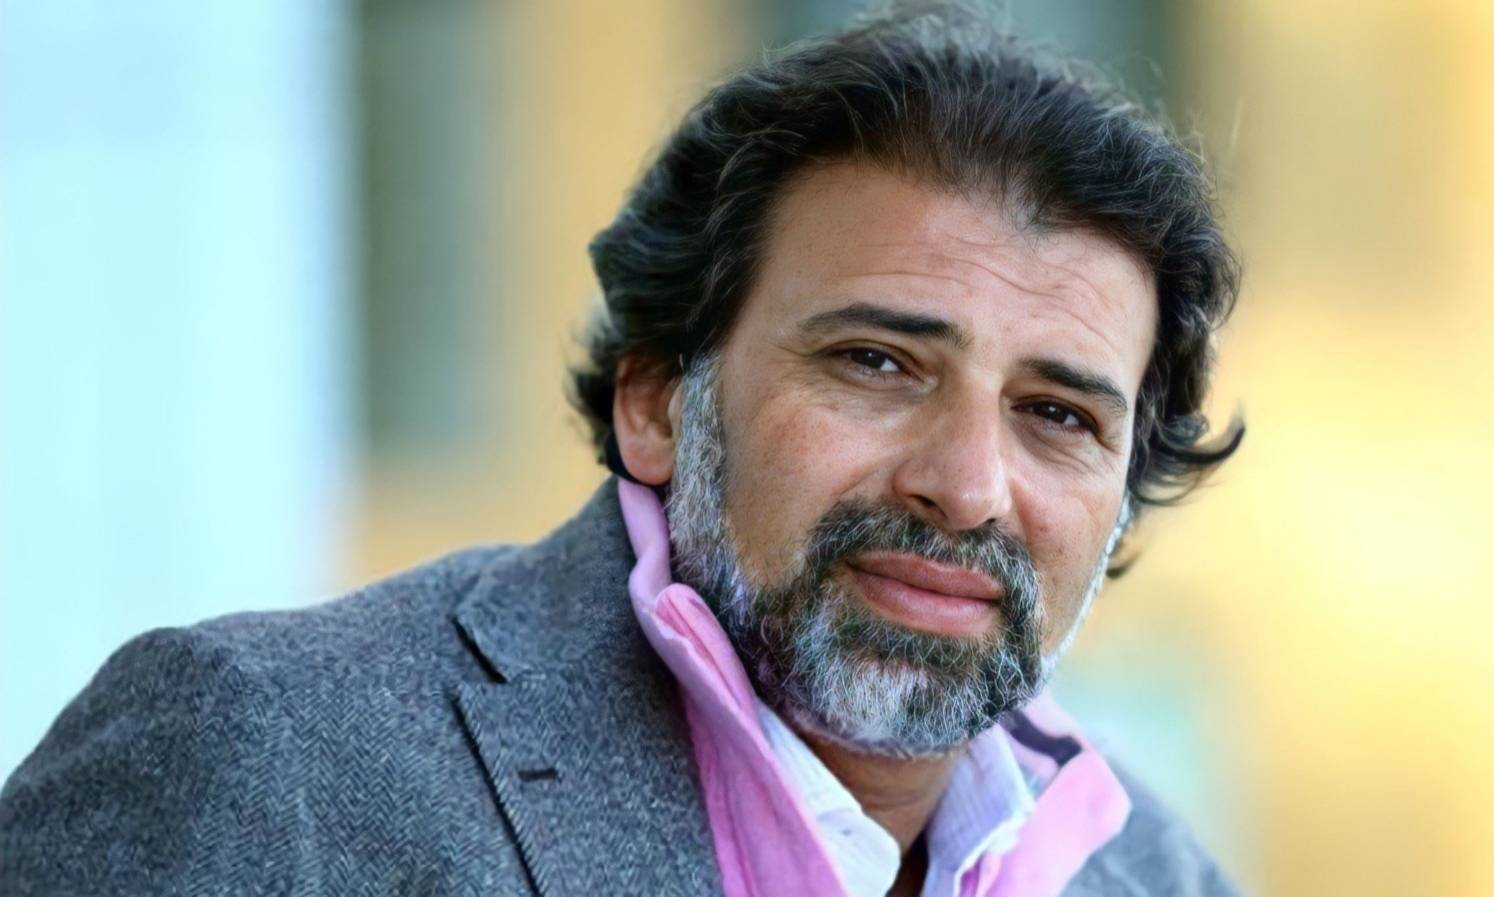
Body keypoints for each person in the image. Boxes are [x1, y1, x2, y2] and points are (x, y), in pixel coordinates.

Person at [0, 5, 1245, 895]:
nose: (965, 486)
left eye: (1058, 415)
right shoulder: (263, 759)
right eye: (875, 362)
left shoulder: (1154, 872)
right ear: (654, 401)